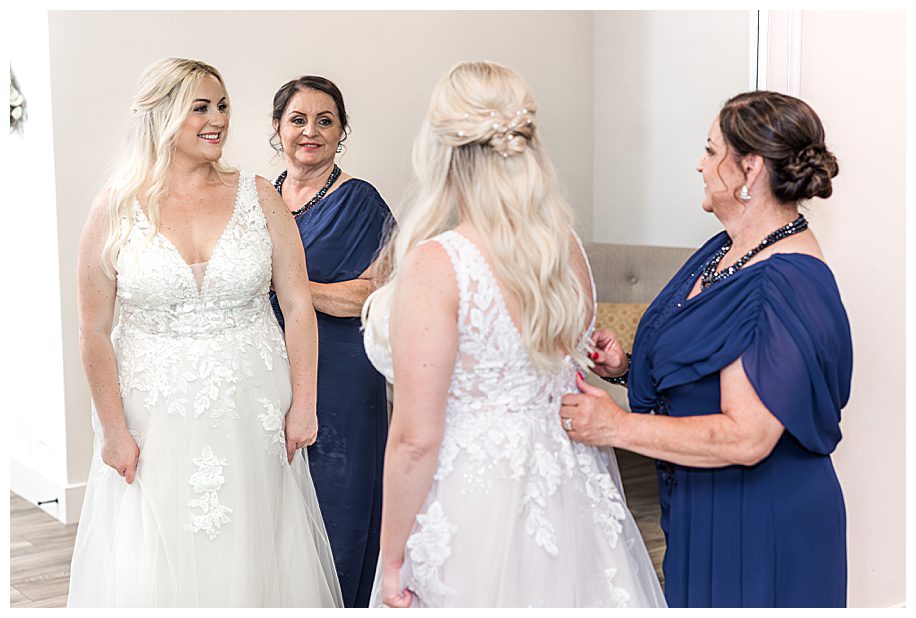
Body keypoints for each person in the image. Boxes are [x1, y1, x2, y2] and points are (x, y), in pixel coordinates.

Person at [360, 61, 666, 608]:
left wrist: (393, 557)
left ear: (443, 147)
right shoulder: (562, 248)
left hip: (474, 496)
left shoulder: (440, 264)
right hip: (570, 486)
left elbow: (414, 439)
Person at [68, 58, 342, 607]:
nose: (218, 119)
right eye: (201, 108)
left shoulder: (260, 196)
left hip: (252, 408)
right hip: (154, 413)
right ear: (163, 115)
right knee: (152, 554)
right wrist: (114, 430)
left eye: (222, 106)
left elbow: (297, 306)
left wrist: (304, 405)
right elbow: (94, 329)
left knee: (254, 543)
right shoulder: (117, 206)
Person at [561, 91, 851, 607]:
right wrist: (626, 366)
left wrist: (615, 426)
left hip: (759, 524)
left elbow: (748, 437)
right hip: (707, 506)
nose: (699, 164)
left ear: (749, 169)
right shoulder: (728, 249)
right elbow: (712, 367)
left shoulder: (784, 281)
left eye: (711, 150)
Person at [268, 75, 392, 608]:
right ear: (277, 129)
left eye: (326, 121)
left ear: (342, 133)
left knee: (338, 502)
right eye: (298, 120)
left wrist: (292, 288)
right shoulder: (255, 199)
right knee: (273, 506)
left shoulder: (361, 201)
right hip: (266, 370)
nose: (310, 132)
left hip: (342, 376)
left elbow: (376, 293)